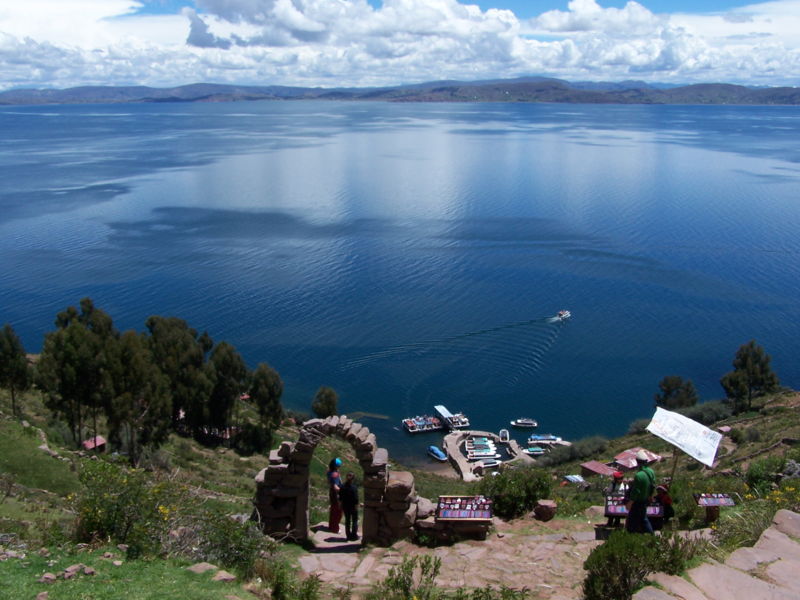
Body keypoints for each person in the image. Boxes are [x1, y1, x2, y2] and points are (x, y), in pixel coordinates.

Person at [625, 450, 656, 534]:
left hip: (637, 502)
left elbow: (636, 492)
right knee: (642, 519)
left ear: (637, 462)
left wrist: (630, 503)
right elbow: (652, 485)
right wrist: (650, 496)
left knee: (633, 521)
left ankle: (632, 537)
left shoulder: (639, 475)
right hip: (645, 500)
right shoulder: (651, 472)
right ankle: (648, 536)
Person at [339, 472, 360, 541]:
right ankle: (354, 536)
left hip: (345, 506)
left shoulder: (342, 486)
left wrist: (340, 505)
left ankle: (348, 535)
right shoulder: (354, 487)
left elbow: (340, 497)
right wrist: (357, 505)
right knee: (355, 520)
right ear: (353, 479)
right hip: (353, 506)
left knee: (347, 520)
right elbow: (356, 498)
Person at [327, 458, 343, 533]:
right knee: (338, 512)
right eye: (339, 466)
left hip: (331, 493)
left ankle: (331, 526)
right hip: (336, 495)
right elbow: (335, 487)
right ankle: (335, 528)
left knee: (333, 510)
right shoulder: (335, 474)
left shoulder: (329, 471)